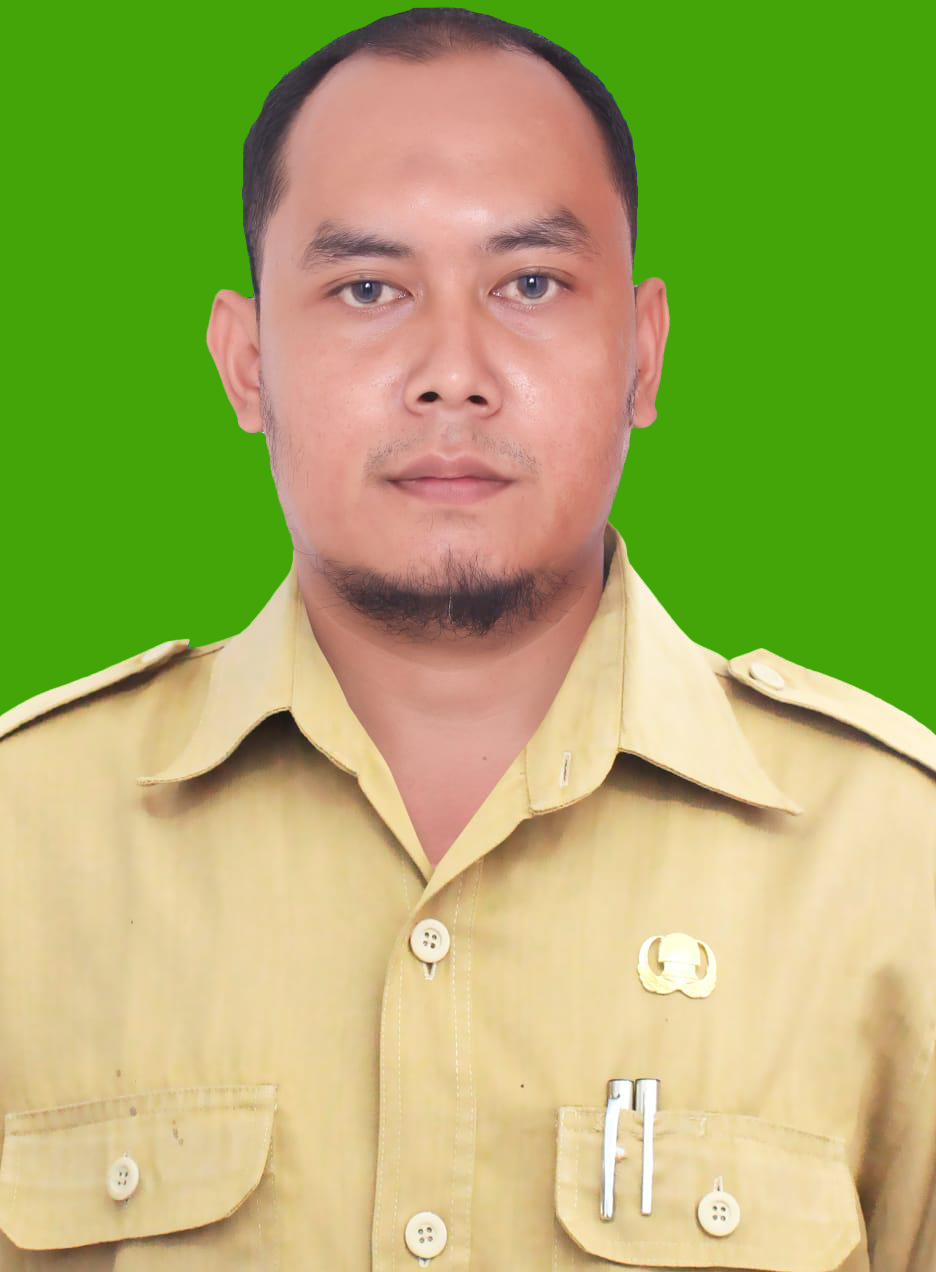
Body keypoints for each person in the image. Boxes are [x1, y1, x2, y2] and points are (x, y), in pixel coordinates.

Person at [0, 7, 932, 1269]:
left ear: (643, 356)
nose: (453, 371)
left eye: (530, 284)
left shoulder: (894, 861)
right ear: (247, 362)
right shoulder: (27, 840)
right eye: (368, 288)